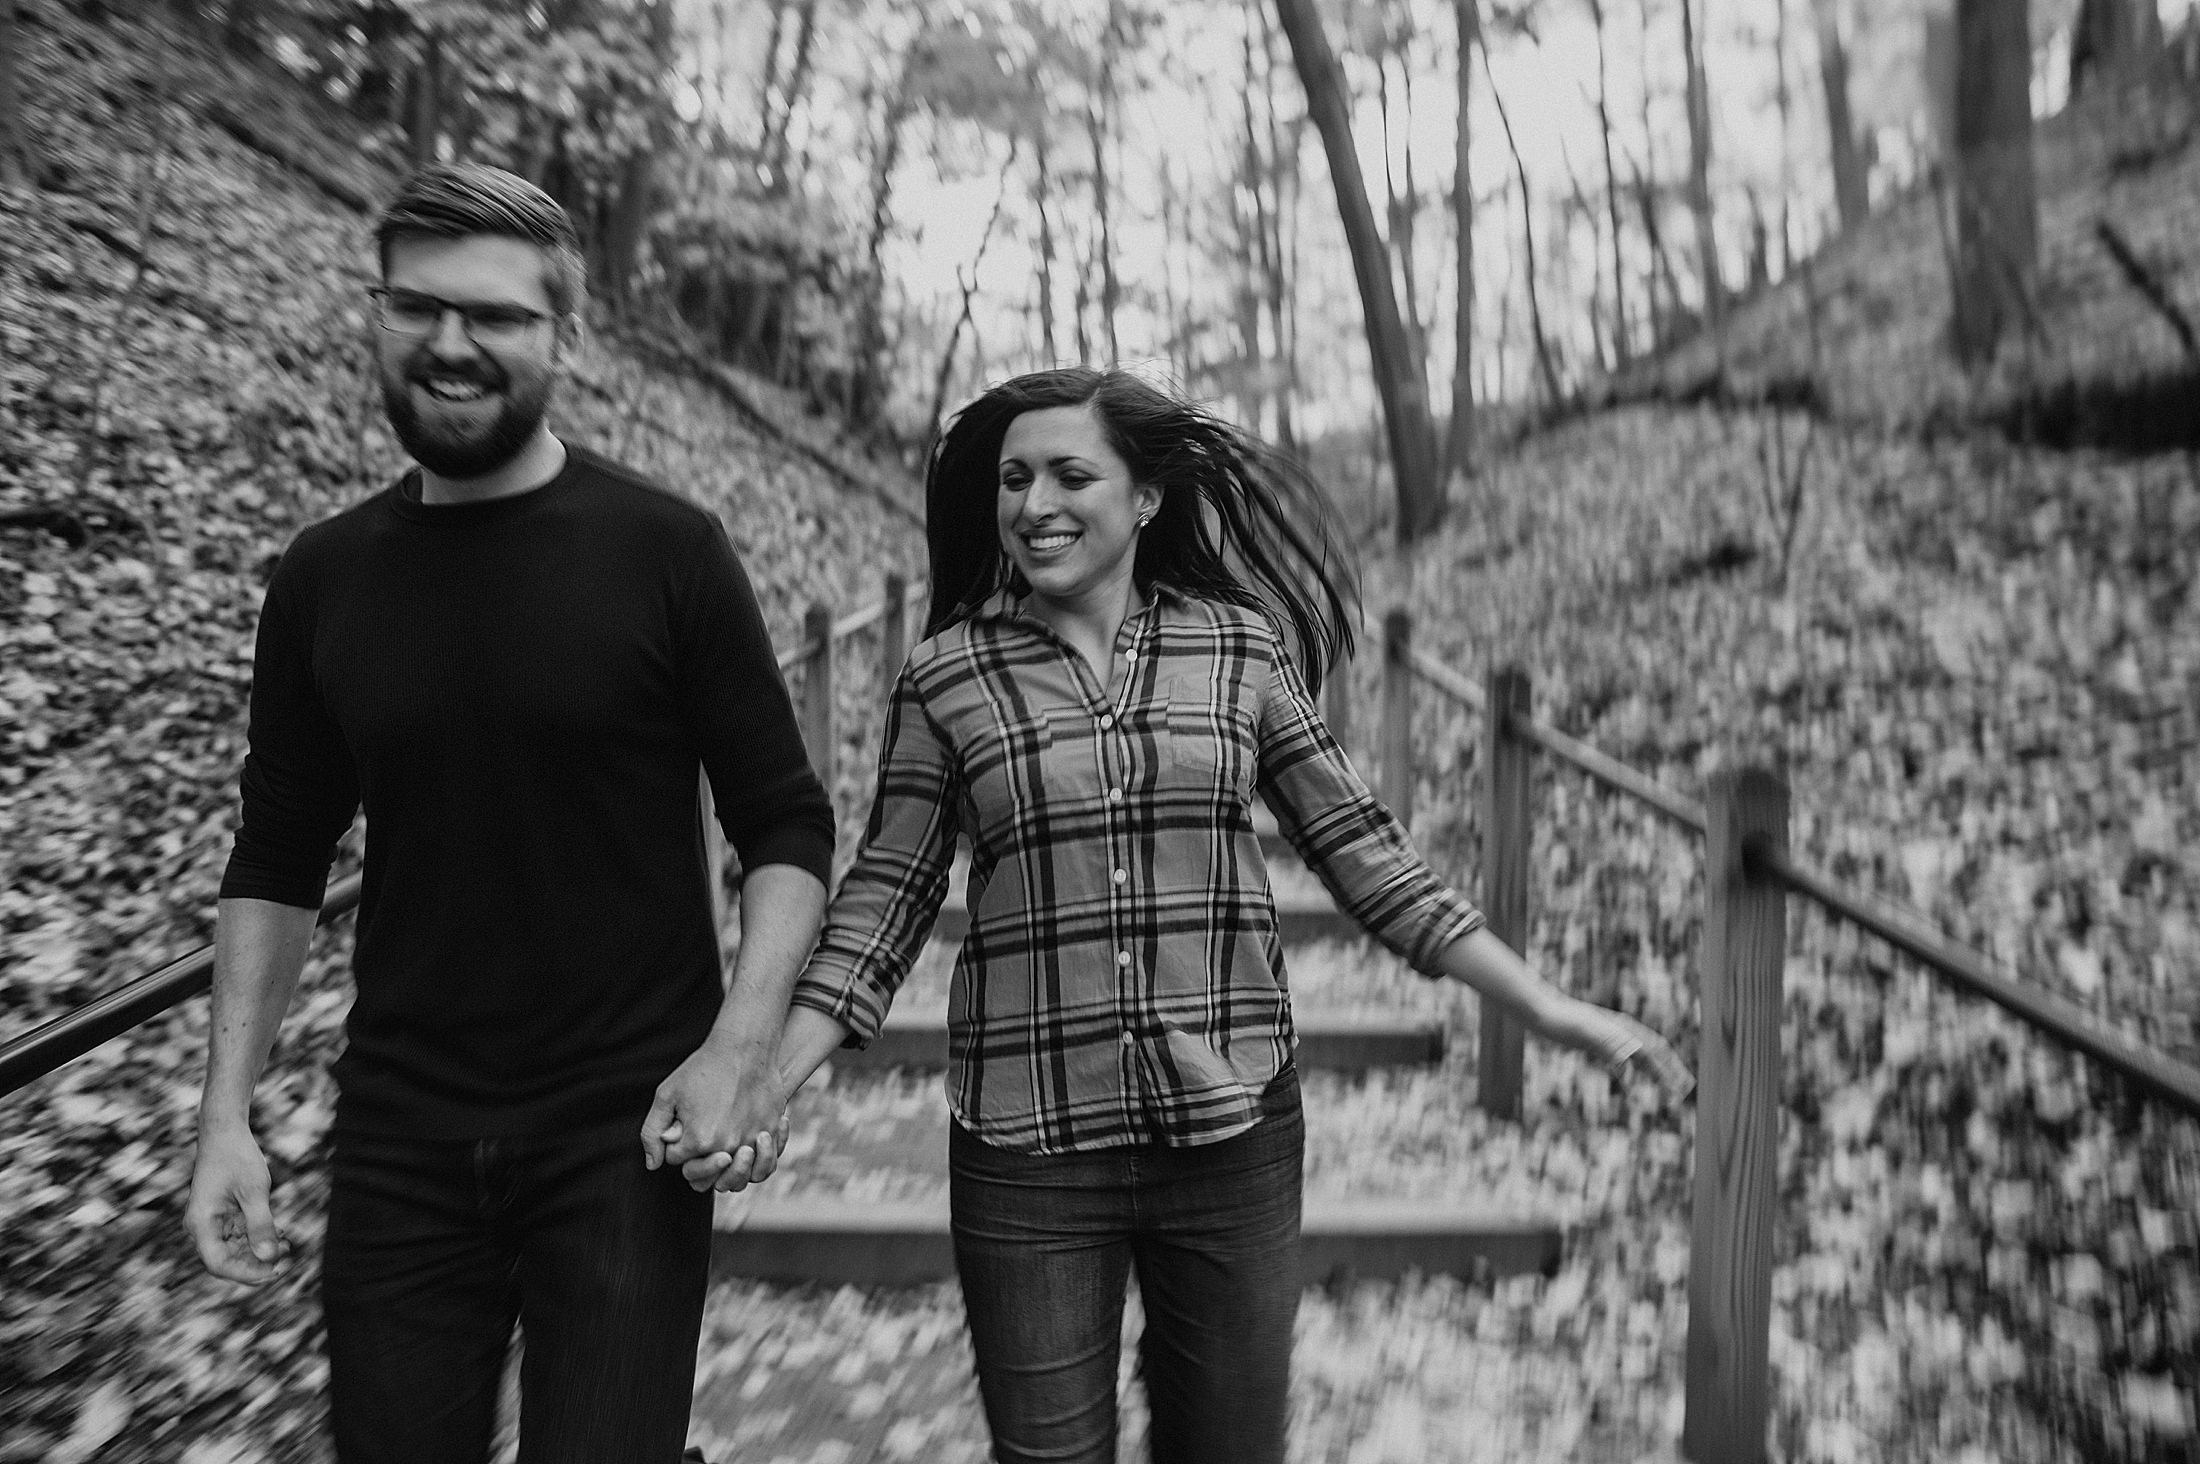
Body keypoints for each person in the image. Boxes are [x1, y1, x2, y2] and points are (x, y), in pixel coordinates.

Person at [688, 367, 1695, 1464]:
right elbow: (886, 898)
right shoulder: (948, 677)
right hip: (1029, 1148)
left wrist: (1546, 1009)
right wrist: (765, 1080)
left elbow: (1364, 851)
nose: (1035, 504)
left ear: (1147, 499)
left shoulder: (1234, 649)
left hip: (1232, 1137)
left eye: (1073, 474)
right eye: (1014, 479)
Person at [182, 162, 832, 1464]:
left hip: (623, 1139)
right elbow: (277, 853)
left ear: (567, 337)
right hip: (398, 1140)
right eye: (419, 307)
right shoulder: (324, 578)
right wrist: (224, 1118)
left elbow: (785, 828)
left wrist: (739, 1049)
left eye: (496, 316)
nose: (452, 343)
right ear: (378, 317)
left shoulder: (667, 552)